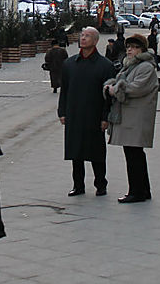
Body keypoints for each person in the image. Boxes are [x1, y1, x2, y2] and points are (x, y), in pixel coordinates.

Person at [58, 27, 116, 197]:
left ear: (96, 41)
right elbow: (65, 90)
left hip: (94, 114)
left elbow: (108, 96)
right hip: (74, 114)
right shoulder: (69, 64)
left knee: (96, 152)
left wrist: (105, 117)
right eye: (82, 35)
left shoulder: (105, 65)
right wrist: (62, 112)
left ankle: (100, 184)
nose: (83, 39)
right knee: (76, 152)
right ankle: (78, 185)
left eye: (87, 36)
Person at [104, 34, 158, 203]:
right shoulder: (131, 65)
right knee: (134, 153)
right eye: (128, 47)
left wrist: (115, 89)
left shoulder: (145, 67)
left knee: (134, 155)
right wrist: (112, 84)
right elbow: (123, 81)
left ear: (142, 50)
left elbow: (136, 88)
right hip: (131, 116)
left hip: (136, 117)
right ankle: (143, 190)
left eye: (134, 47)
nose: (129, 50)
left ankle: (136, 192)